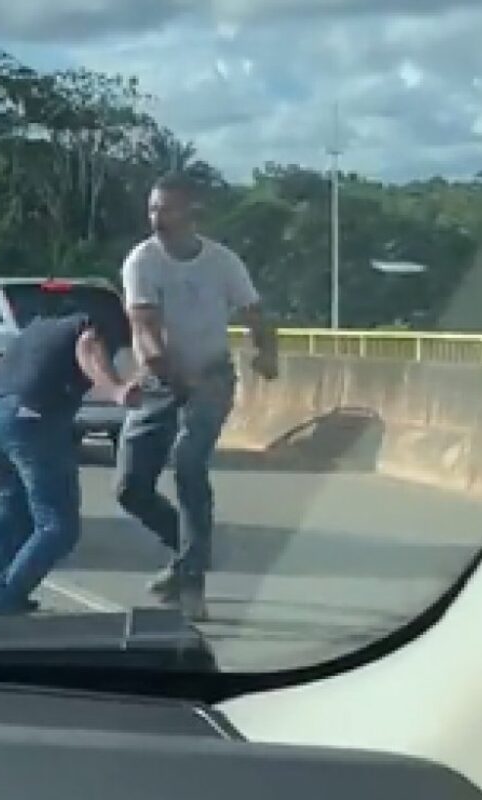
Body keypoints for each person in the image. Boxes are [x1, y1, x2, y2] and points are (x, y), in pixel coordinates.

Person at [116, 172, 279, 621]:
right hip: (160, 379)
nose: (157, 218)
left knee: (189, 464)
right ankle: (192, 552)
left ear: (192, 213)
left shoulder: (222, 262)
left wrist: (265, 351)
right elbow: (145, 332)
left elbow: (254, 312)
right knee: (131, 488)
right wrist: (169, 375)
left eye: (167, 209)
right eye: (152, 209)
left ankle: (192, 582)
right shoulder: (141, 262)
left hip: (212, 375)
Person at [0, 300, 142, 616]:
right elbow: (89, 349)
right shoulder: (93, 323)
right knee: (58, 525)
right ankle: (3, 600)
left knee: (13, 501)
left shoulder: (40, 327)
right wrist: (115, 389)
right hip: (30, 416)